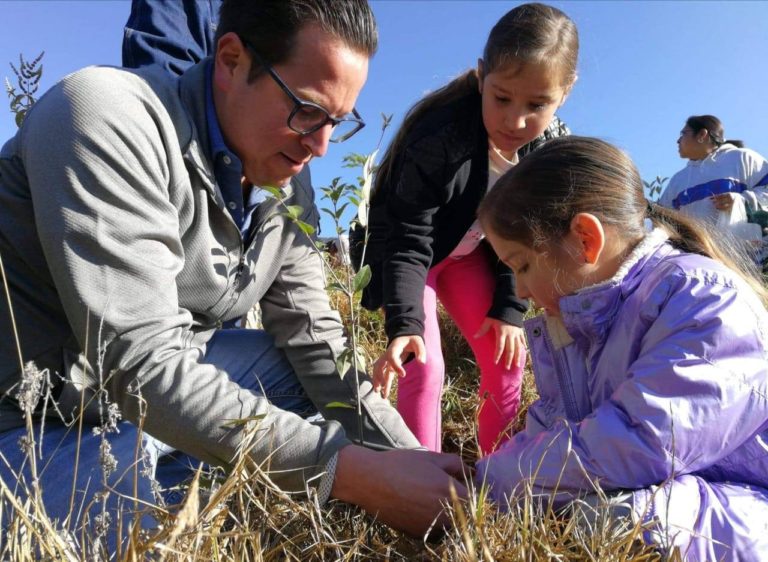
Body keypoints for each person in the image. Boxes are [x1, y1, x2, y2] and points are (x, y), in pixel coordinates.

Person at [0, 0, 468, 550]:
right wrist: (349, 472)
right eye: (307, 110)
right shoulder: (107, 115)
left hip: (156, 391)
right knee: (145, 545)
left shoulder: (285, 185)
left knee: (300, 377)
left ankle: (189, 468)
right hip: (39, 421)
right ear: (230, 59)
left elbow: (316, 341)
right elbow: (141, 364)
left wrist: (412, 463)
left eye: (337, 124)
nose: (318, 146)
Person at [475, 136, 768, 560]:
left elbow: (641, 441)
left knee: (622, 522)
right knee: (582, 510)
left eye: (522, 265)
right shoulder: (578, 322)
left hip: (748, 504)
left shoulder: (702, 298)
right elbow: (553, 430)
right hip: (680, 491)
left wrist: (487, 484)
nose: (518, 289)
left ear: (584, 239)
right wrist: (478, 476)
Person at [358, 3, 578, 455]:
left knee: (507, 360)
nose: (515, 121)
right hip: (412, 256)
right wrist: (405, 322)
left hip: (470, 256)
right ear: (481, 76)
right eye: (501, 98)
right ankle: (420, 478)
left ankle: (497, 474)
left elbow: (524, 241)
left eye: (537, 105)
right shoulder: (441, 135)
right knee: (423, 363)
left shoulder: (547, 152)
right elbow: (408, 238)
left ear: (564, 94)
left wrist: (508, 308)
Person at [659, 114, 768, 244]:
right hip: (696, 259)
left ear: (702, 135)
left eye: (683, 133)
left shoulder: (743, 158)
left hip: (747, 257)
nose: (678, 140)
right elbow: (662, 219)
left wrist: (741, 201)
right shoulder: (677, 180)